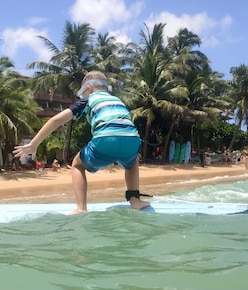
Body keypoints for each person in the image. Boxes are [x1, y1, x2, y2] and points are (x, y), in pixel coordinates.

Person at [13, 70, 150, 213]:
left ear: (89, 89)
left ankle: (81, 208)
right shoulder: (117, 100)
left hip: (105, 139)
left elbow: (56, 120)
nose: (81, 97)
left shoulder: (89, 99)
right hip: (133, 140)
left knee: (77, 165)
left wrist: (34, 143)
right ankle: (135, 200)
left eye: (81, 93)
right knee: (132, 161)